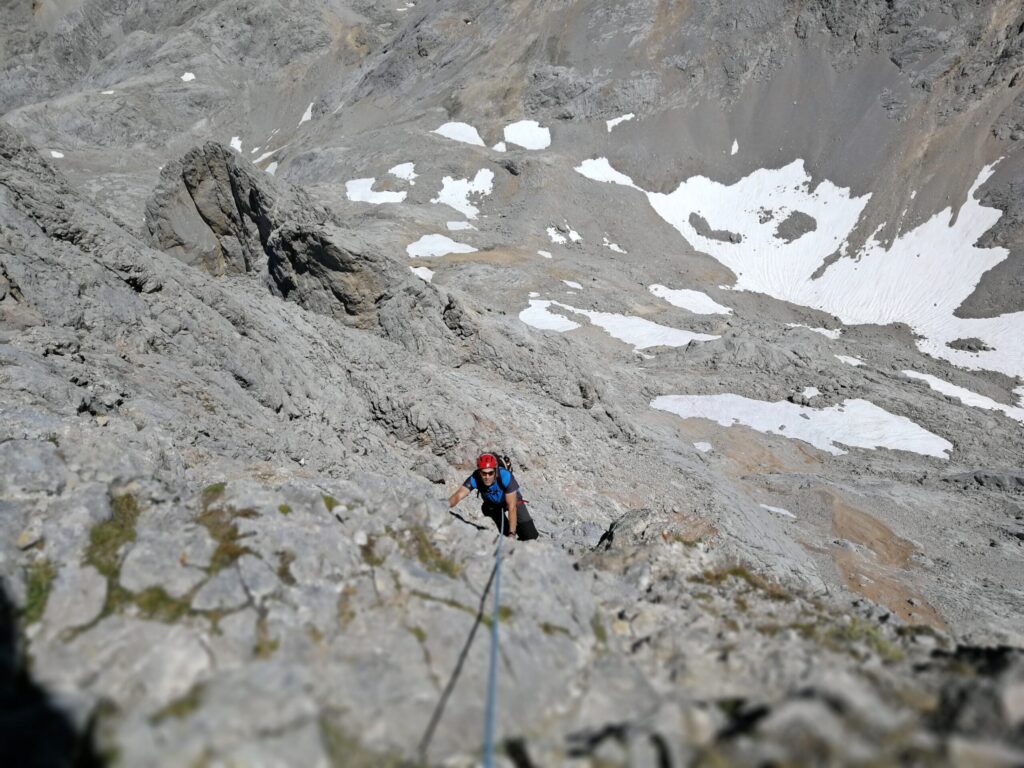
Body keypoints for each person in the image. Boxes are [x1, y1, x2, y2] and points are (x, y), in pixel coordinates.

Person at [447, 453, 539, 540]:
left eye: (490, 473)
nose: (487, 476)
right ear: (479, 472)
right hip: (493, 505)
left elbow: (512, 507)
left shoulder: (505, 476)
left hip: (512, 501)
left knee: (530, 536)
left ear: (495, 470)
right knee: (488, 510)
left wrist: (512, 533)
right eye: (484, 473)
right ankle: (506, 536)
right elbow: (459, 495)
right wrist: (445, 504)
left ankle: (515, 534)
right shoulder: (475, 478)